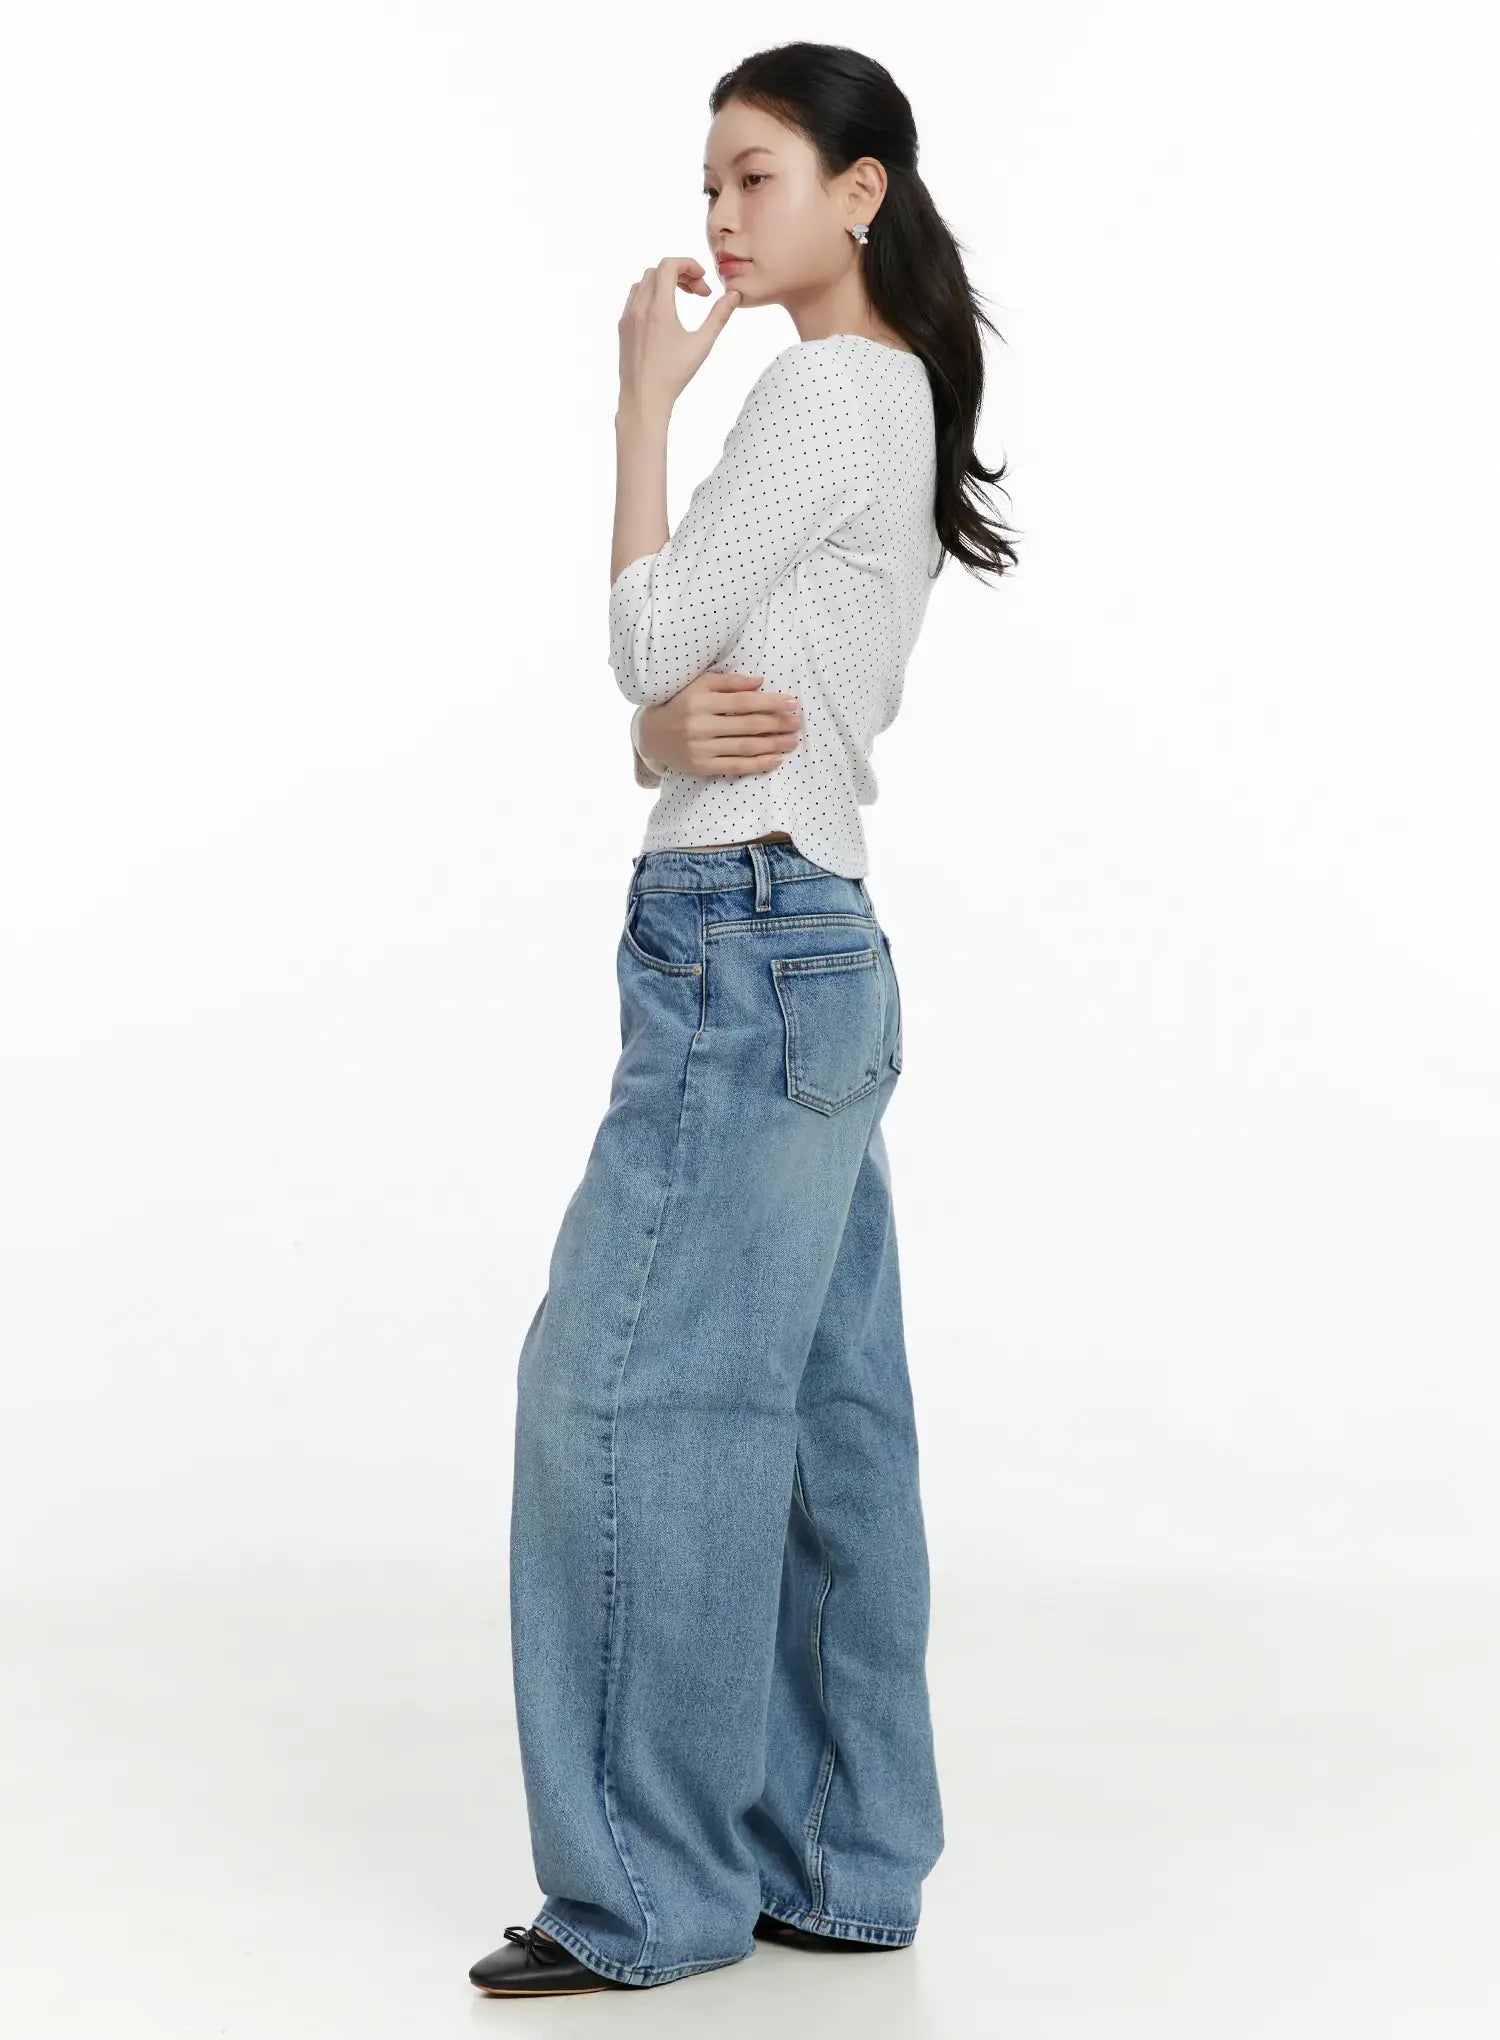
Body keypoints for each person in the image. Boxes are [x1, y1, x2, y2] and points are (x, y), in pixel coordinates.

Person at [470, 39, 1018, 1999]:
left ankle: (649, 1895)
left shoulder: (816, 390)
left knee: (623, 1398)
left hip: (741, 935)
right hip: (822, 941)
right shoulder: (905, 394)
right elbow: (710, 693)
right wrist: (657, 736)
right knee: (823, 1420)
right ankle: (845, 1858)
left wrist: (641, 399)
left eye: (757, 175)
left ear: (861, 193)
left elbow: (649, 637)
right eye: (707, 182)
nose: (719, 216)